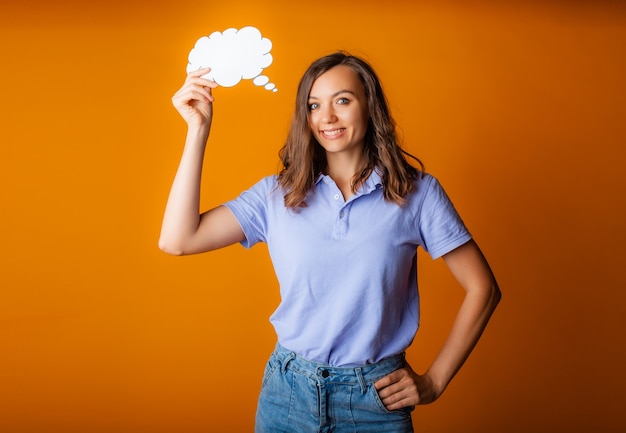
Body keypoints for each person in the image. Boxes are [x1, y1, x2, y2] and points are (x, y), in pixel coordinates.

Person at [160, 51, 501, 433]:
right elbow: (178, 239)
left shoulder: (417, 194)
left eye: (343, 100)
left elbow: (483, 288)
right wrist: (198, 130)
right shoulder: (277, 195)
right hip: (287, 395)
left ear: (370, 106)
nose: (327, 117)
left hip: (374, 401)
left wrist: (435, 381)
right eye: (314, 105)